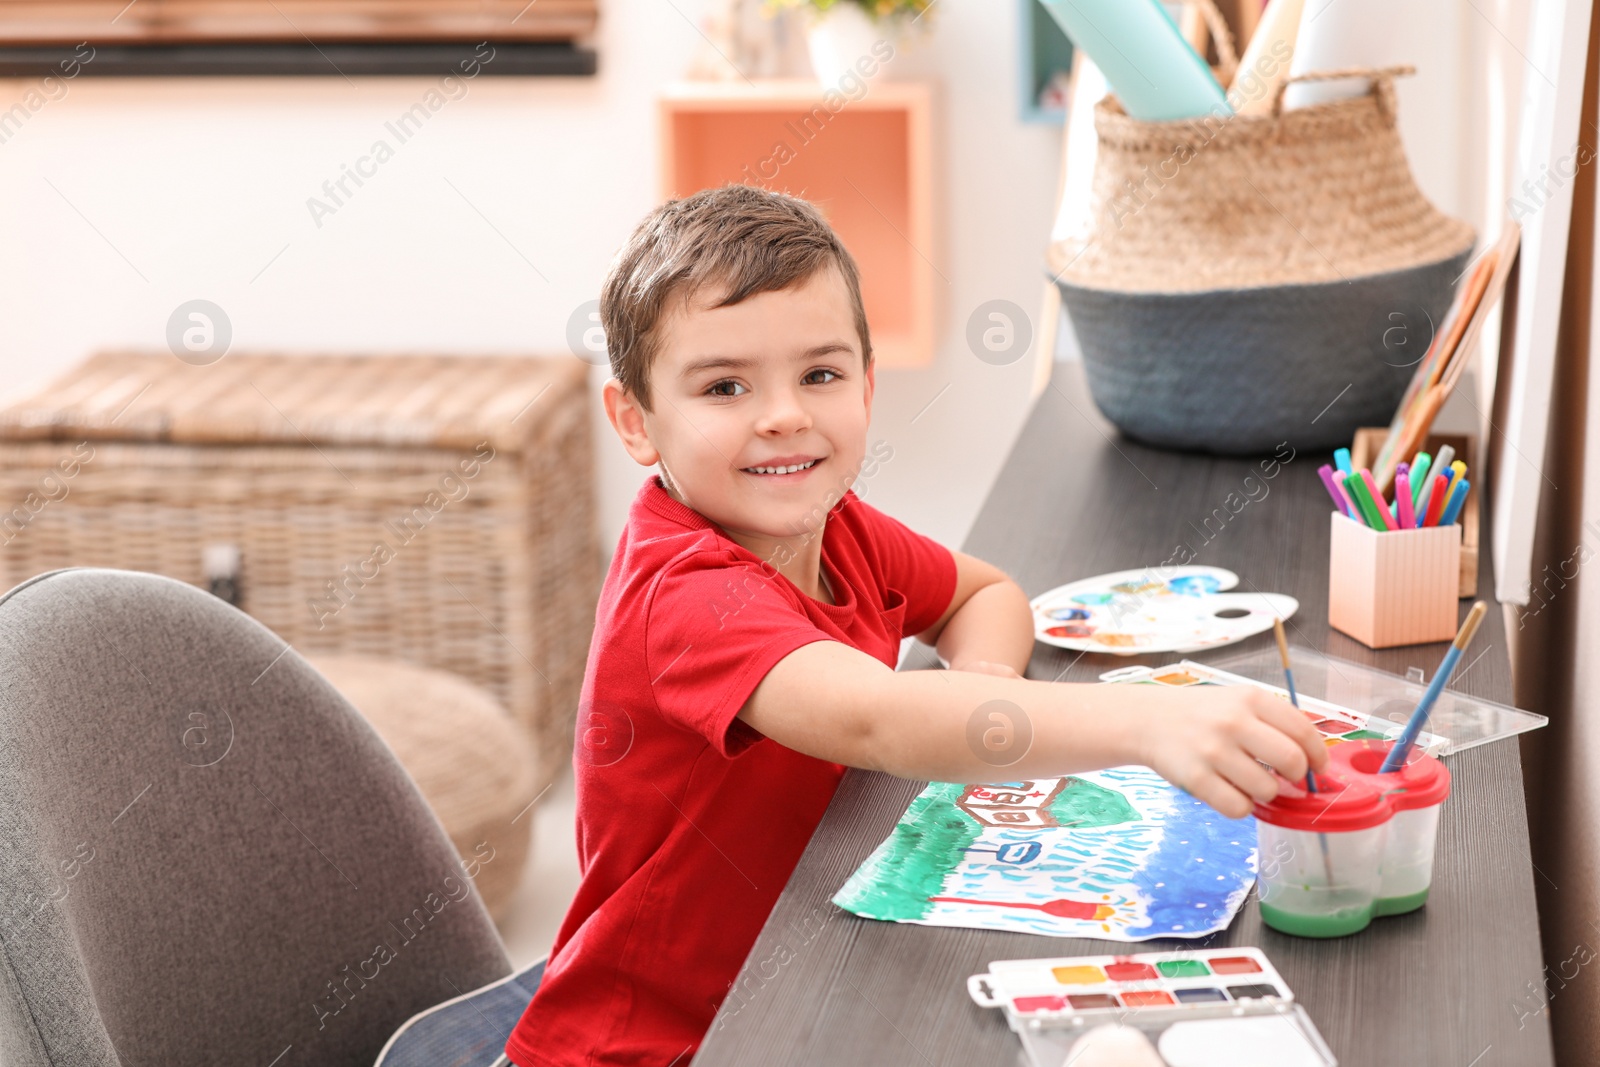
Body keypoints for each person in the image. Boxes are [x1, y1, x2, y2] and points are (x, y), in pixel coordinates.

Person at [502, 184, 1326, 1066]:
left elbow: (986, 594)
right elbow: (877, 717)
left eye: (820, 373)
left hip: (804, 963)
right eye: (725, 385)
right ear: (636, 421)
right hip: (659, 1042)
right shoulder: (687, 594)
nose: (784, 413)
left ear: (865, 379)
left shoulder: (836, 524)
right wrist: (1149, 723)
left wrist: (987, 693)